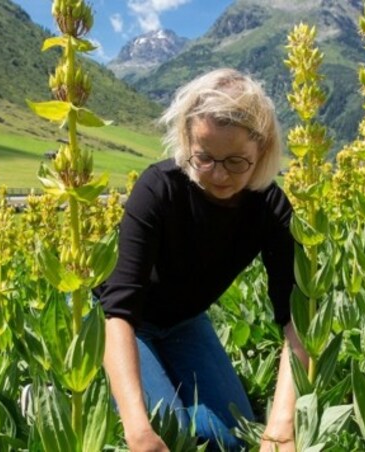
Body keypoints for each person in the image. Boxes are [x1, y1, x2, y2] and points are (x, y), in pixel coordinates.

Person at [96, 68, 306, 452]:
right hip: (122, 320)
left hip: (184, 322)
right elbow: (119, 310)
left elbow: (296, 319)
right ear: (186, 141)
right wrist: (138, 430)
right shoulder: (158, 189)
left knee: (230, 442)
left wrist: (280, 430)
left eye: (236, 161)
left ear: (262, 149)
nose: (219, 175)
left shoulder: (272, 207)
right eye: (204, 158)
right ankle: (69, 391)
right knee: (168, 436)